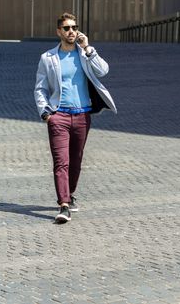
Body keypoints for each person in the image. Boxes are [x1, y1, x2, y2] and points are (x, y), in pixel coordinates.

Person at [34, 12, 117, 223]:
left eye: (74, 27)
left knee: (76, 161)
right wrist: (46, 113)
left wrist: (88, 48)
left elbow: (103, 71)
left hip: (82, 115)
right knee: (61, 162)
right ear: (58, 32)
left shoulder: (84, 54)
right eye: (67, 28)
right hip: (58, 116)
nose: (71, 31)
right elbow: (40, 88)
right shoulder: (48, 58)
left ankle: (69, 194)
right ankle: (63, 205)